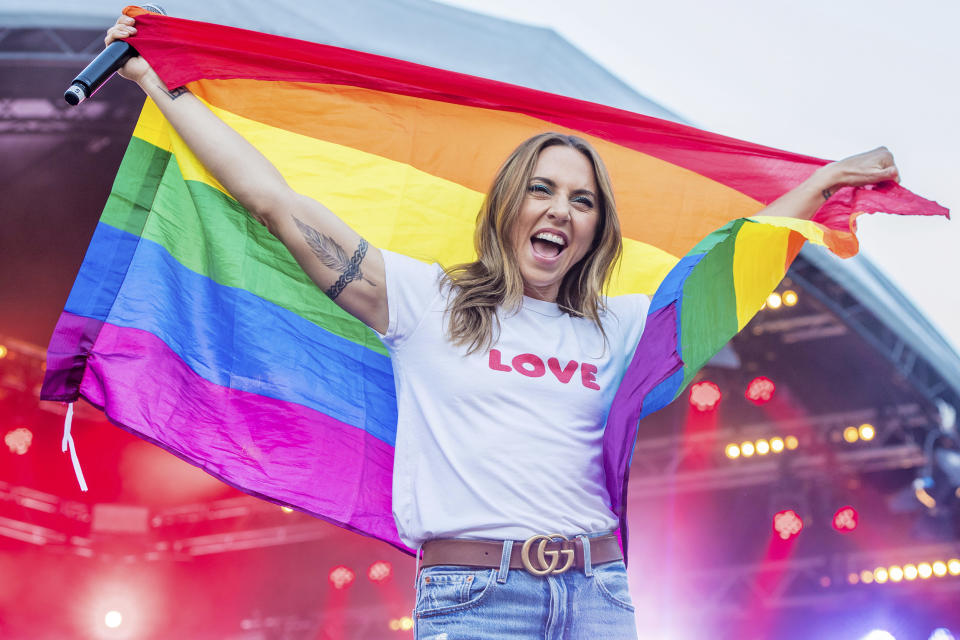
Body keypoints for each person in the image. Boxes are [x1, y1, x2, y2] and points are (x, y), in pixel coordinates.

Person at [106, 14, 900, 640]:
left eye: (582, 201)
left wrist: (824, 181)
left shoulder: (618, 329)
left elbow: (735, 257)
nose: (561, 210)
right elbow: (276, 204)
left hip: (598, 597)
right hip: (476, 602)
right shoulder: (426, 302)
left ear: (595, 230)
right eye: (544, 191)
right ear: (509, 208)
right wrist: (157, 82)